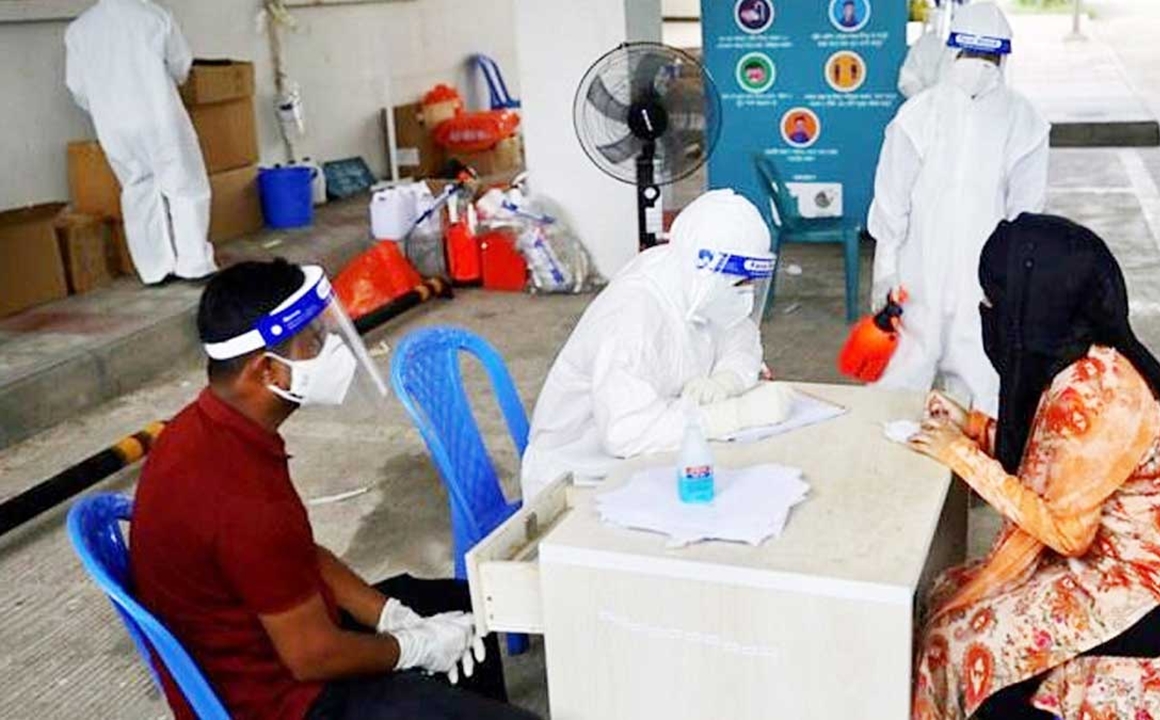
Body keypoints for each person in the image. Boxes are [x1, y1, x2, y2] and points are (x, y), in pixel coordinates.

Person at [130, 259, 536, 720]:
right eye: (315, 342)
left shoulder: (209, 429)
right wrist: (412, 647)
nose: (332, 348)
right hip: (280, 699)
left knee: (460, 605)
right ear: (267, 371)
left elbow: (297, 555)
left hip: (269, 640)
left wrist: (392, 616)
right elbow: (313, 657)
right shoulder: (241, 497)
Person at [906, 214, 1160, 720]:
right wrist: (974, 428)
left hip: (1152, 593)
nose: (988, 311)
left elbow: (1066, 531)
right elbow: (1055, 462)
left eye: (995, 300)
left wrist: (960, 455)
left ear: (1034, 305)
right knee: (951, 597)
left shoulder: (1095, 392)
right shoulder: (1078, 362)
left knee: (963, 645)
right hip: (1114, 565)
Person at [520, 189, 793, 499]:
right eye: (741, 282)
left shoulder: (699, 284)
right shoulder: (634, 313)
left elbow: (741, 339)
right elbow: (627, 432)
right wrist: (735, 415)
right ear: (707, 269)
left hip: (651, 460)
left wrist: (727, 379)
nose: (746, 293)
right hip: (576, 481)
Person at [866, 1, 1049, 415]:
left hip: (982, 288)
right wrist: (885, 272)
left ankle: (971, 455)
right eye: (970, 53)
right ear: (951, 52)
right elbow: (891, 203)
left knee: (981, 398)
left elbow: (1026, 216)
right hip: (916, 280)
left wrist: (1014, 286)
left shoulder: (1025, 122)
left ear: (1003, 60)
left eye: (989, 57)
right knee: (896, 392)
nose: (979, 66)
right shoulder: (917, 116)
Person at [65, 0, 217, 285]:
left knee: (137, 188)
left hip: (113, 124)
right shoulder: (154, 16)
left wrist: (104, 104)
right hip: (158, 114)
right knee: (184, 185)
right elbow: (180, 65)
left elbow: (78, 88)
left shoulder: (78, 30)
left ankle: (154, 268)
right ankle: (194, 264)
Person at [898, 1, 960, 98]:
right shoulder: (926, 42)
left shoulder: (971, 44)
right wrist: (928, 100)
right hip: (926, 104)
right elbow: (907, 81)